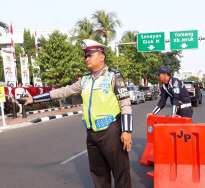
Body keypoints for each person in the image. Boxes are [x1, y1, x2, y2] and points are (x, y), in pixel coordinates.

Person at [22, 39, 133, 188]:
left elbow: (125, 103)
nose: (86, 59)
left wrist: (126, 131)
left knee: (121, 173)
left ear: (101, 56)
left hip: (111, 131)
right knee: (99, 175)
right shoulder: (85, 80)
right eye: (85, 56)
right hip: (92, 133)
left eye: (89, 55)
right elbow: (63, 91)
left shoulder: (114, 76)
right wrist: (34, 98)